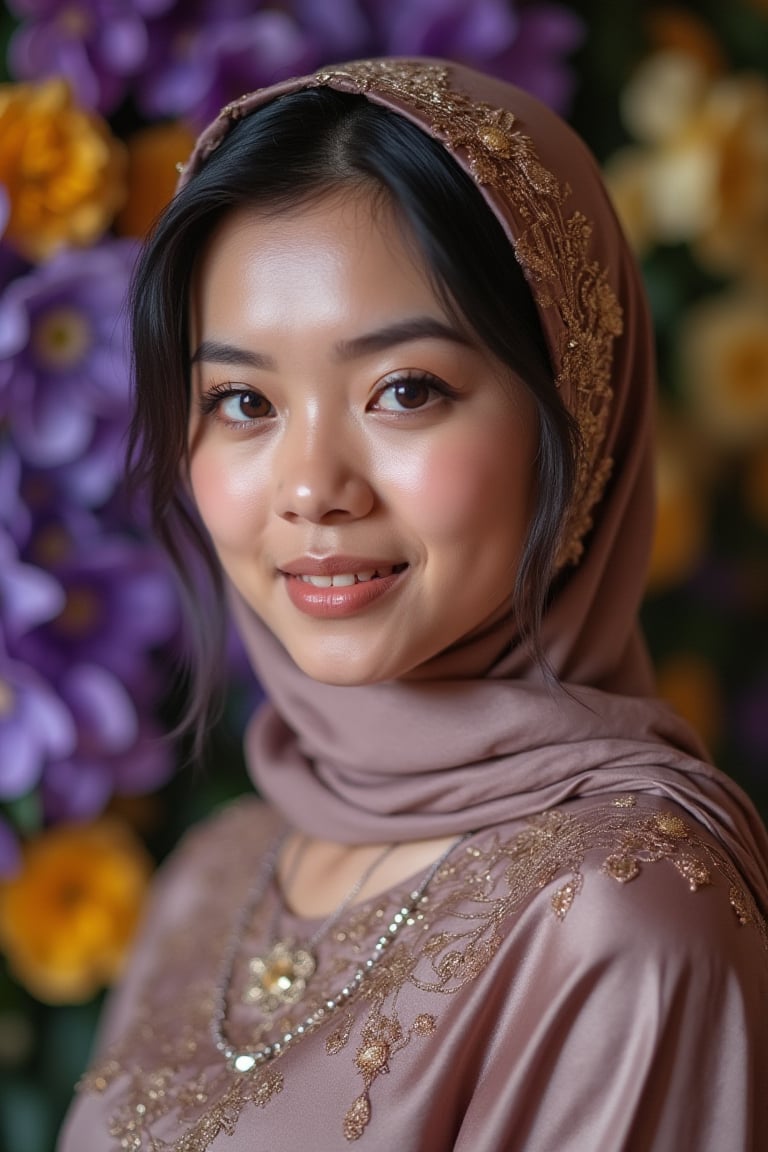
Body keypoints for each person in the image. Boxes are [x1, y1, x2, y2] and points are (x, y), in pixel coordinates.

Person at [58, 58, 768, 1152]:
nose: (309, 489)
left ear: (571, 413)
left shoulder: (624, 918)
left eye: (404, 390)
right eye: (243, 401)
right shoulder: (221, 870)